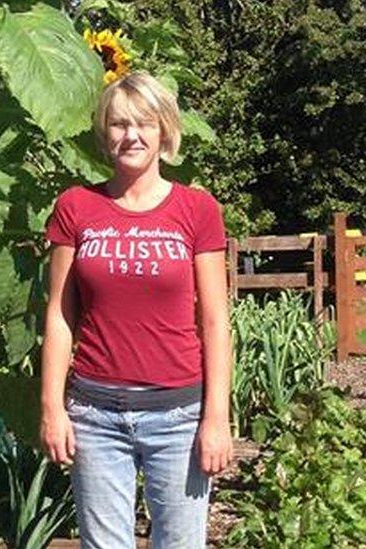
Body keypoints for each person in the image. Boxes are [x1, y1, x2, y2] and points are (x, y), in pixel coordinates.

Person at [39, 71, 234, 549]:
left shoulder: (197, 210)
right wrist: (52, 409)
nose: (132, 135)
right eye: (119, 124)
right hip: (94, 414)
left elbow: (214, 322)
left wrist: (217, 418)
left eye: (144, 123)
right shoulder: (76, 207)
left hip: (178, 417)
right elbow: (60, 316)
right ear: (104, 133)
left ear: (164, 130)